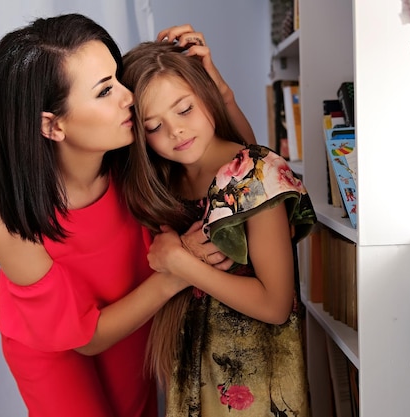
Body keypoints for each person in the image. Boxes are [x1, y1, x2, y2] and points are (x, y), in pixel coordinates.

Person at [0, 14, 254, 417]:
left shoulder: (133, 151)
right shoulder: (10, 223)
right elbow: (85, 337)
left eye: (117, 79)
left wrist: (221, 92)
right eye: (105, 90)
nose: (128, 97)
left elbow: (243, 174)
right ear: (52, 125)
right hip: (54, 347)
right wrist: (179, 269)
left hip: (131, 318)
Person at [121, 41, 317, 416]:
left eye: (184, 109)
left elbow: (276, 306)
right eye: (154, 126)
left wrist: (182, 263)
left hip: (257, 381)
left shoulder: (256, 173)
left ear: (206, 94)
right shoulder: (162, 185)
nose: (176, 131)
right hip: (191, 372)